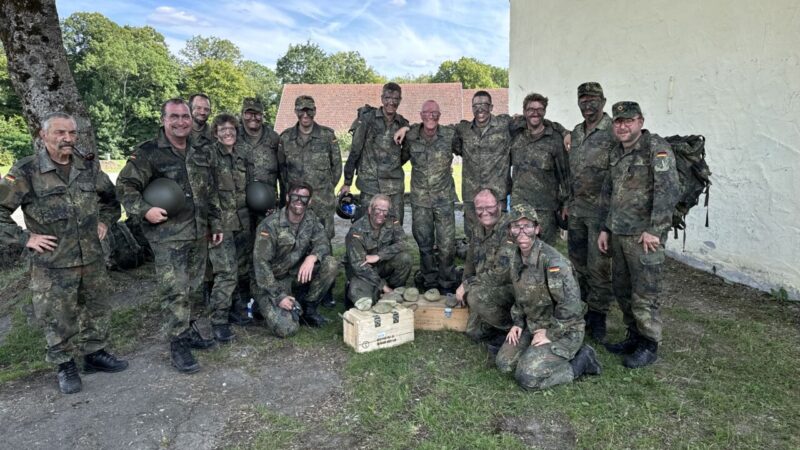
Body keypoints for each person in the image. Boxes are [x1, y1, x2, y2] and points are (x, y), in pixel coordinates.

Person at [0, 112, 128, 394]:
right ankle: (65, 363)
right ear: (43, 136)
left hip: (92, 258)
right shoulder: (26, 171)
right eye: (60, 133)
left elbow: (111, 200)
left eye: (71, 133)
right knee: (58, 316)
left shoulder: (88, 169)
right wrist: (26, 238)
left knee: (97, 307)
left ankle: (94, 354)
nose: (67, 139)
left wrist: (105, 221)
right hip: (53, 263)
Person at [117, 98, 222, 374]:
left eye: (185, 117)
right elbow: (125, 187)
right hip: (167, 236)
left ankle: (187, 331)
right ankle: (178, 344)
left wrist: (216, 224)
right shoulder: (148, 153)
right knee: (174, 290)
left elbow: (208, 191)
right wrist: (145, 210)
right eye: (174, 116)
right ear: (163, 119)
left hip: (198, 232)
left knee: (194, 287)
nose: (180, 122)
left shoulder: (200, 150)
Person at [598, 101, 679, 369]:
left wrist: (655, 230)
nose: (622, 126)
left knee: (645, 293)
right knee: (623, 290)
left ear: (640, 121)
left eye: (628, 121)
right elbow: (609, 194)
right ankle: (633, 336)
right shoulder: (616, 152)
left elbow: (668, 192)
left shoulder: (656, 149)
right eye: (618, 121)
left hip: (645, 237)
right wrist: (605, 228)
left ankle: (649, 344)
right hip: (620, 233)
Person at [495, 204, 601, 390]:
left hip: (564, 329)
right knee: (504, 364)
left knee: (527, 377)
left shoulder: (553, 262)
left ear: (537, 229)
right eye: (516, 226)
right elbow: (521, 296)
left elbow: (571, 306)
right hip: (534, 324)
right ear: (510, 230)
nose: (522, 231)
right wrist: (518, 323)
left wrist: (550, 333)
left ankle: (582, 361)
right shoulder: (516, 257)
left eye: (527, 225)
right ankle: (535, 354)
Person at [563, 82, 616, 342]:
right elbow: (574, 173)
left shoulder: (613, 132)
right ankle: (580, 310)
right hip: (577, 211)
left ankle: (598, 317)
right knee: (577, 265)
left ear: (603, 101)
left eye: (593, 99)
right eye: (583, 99)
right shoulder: (576, 132)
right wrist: (567, 201)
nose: (588, 104)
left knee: (599, 268)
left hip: (601, 213)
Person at [252, 182, 339, 335]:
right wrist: (279, 296)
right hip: (270, 283)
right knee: (287, 329)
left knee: (330, 264)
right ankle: (261, 305)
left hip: (294, 275)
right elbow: (261, 265)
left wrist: (312, 257)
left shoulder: (310, 219)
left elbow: (323, 242)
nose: (299, 201)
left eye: (304, 198)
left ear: (310, 201)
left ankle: (309, 310)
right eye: (295, 197)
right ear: (287, 197)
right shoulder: (270, 225)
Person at [395, 100, 458, 293]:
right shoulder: (412, 136)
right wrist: (405, 128)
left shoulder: (450, 135)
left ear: (440, 115)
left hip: (444, 199)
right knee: (424, 244)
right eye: (427, 112)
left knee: (447, 244)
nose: (431, 116)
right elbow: (400, 158)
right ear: (421, 115)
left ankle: (447, 282)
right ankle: (430, 282)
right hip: (420, 201)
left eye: (435, 113)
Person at [206, 113, 254, 341]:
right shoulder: (209, 155)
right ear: (215, 133)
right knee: (226, 273)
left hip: (243, 221)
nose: (228, 133)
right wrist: (212, 223)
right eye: (223, 130)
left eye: (232, 129)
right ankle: (218, 319)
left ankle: (237, 309)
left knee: (242, 269)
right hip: (220, 224)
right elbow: (206, 193)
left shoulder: (241, 156)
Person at [452, 91, 519, 240]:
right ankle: (474, 264)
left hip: (497, 194)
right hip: (472, 194)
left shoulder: (505, 124)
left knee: (500, 236)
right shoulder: (463, 130)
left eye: (484, 105)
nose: (479, 109)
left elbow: (534, 119)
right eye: (475, 105)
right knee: (473, 237)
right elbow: (440, 132)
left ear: (491, 106)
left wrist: (564, 132)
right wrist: (406, 128)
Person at [341, 82, 409, 224]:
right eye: (387, 98)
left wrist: (406, 129)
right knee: (367, 226)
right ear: (382, 98)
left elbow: (407, 152)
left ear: (400, 100)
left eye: (395, 99)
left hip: (394, 186)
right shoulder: (367, 119)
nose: (391, 102)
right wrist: (347, 182)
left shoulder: (403, 123)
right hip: (370, 185)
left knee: (395, 227)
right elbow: (355, 150)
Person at [455, 189, 516, 347]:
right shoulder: (478, 228)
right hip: (487, 286)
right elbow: (470, 262)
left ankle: (516, 326)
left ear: (500, 205)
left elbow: (501, 273)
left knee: (475, 296)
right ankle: (497, 325)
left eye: (489, 207)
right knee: (473, 331)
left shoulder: (510, 229)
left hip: (512, 288)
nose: (484, 212)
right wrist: (464, 283)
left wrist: (467, 286)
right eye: (479, 208)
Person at [277, 95, 342, 240]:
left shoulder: (327, 136)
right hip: (296, 202)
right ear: (295, 111)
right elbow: (282, 170)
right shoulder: (286, 138)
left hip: (322, 202)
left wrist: (327, 189)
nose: (305, 115)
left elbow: (337, 166)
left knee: (323, 241)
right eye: (301, 111)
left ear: (315, 111)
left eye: (309, 111)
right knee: (297, 240)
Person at [509, 93, 570, 246]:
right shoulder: (516, 136)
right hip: (520, 207)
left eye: (539, 109)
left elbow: (565, 175)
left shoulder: (555, 139)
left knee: (546, 252)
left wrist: (567, 203)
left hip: (546, 210)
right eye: (530, 109)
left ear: (545, 111)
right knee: (520, 250)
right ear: (524, 112)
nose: (535, 112)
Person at [344, 194, 411, 305]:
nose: (381, 214)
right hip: (362, 273)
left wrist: (380, 256)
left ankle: (394, 291)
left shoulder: (392, 221)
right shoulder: (356, 231)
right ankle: (382, 291)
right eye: (378, 209)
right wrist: (383, 286)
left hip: (381, 266)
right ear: (370, 210)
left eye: (385, 211)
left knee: (405, 258)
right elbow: (359, 266)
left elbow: (404, 243)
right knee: (365, 302)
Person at [238, 97, 280, 220]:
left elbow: (283, 172)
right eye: (249, 113)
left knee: (266, 238)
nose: (253, 117)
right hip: (240, 208)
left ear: (262, 115)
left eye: (257, 114)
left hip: (266, 205)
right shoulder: (233, 136)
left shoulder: (274, 138)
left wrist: (282, 202)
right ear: (242, 114)